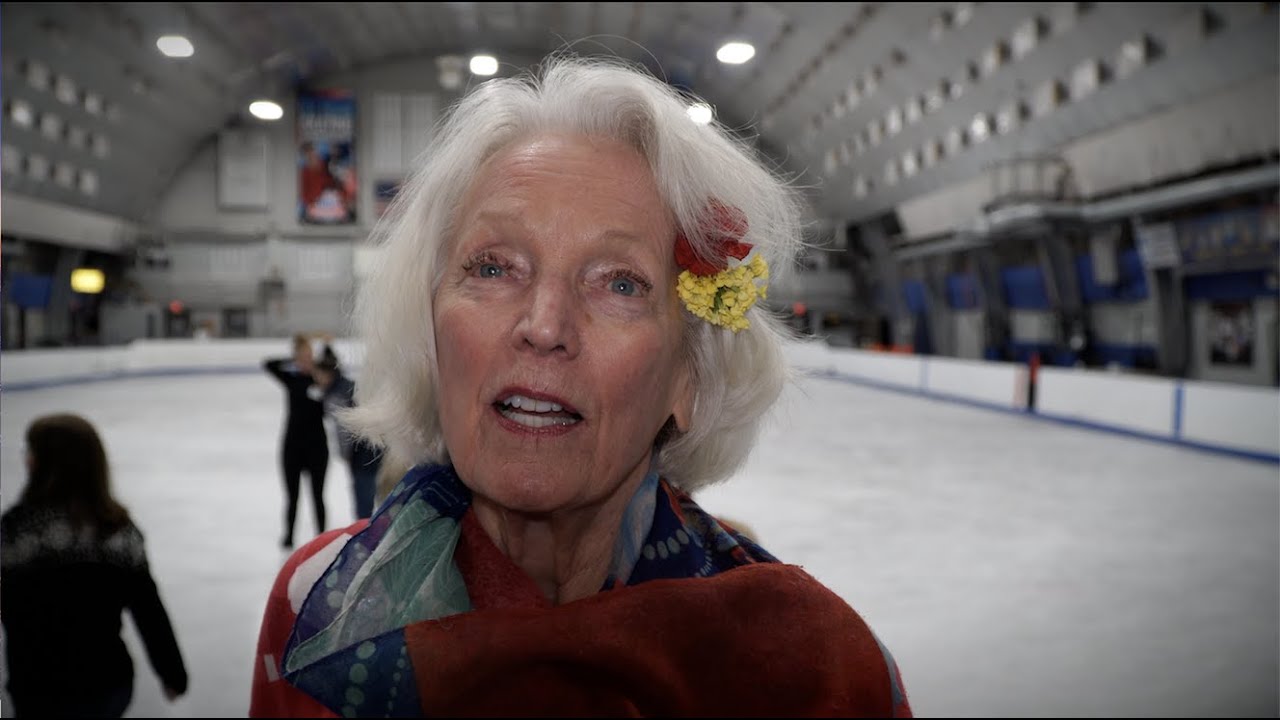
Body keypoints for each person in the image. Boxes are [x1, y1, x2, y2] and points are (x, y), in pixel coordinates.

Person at [250, 57, 911, 717]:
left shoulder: (814, 674)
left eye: (619, 282)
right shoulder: (317, 613)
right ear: (430, 331)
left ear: (689, 375)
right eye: (493, 266)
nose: (544, 326)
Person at [1, 414, 188, 717]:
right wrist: (172, 672)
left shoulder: (17, 531)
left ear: (41, 463)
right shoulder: (118, 531)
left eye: (31, 451)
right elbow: (148, 609)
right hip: (107, 682)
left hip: (38, 686)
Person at [262, 333, 330, 549]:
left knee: (317, 496)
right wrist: (293, 362)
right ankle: (289, 536)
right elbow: (268, 364)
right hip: (292, 447)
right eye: (302, 356)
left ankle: (322, 537)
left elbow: (336, 369)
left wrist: (318, 365)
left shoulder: (321, 378)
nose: (306, 360)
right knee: (292, 497)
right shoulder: (291, 378)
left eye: (309, 355)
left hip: (317, 447)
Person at [311, 353, 383, 520]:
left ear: (327, 374)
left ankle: (366, 535)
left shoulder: (337, 394)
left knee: (364, 501)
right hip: (371, 448)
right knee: (368, 497)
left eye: (318, 375)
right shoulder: (346, 386)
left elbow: (345, 429)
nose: (316, 379)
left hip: (363, 452)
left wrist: (345, 454)